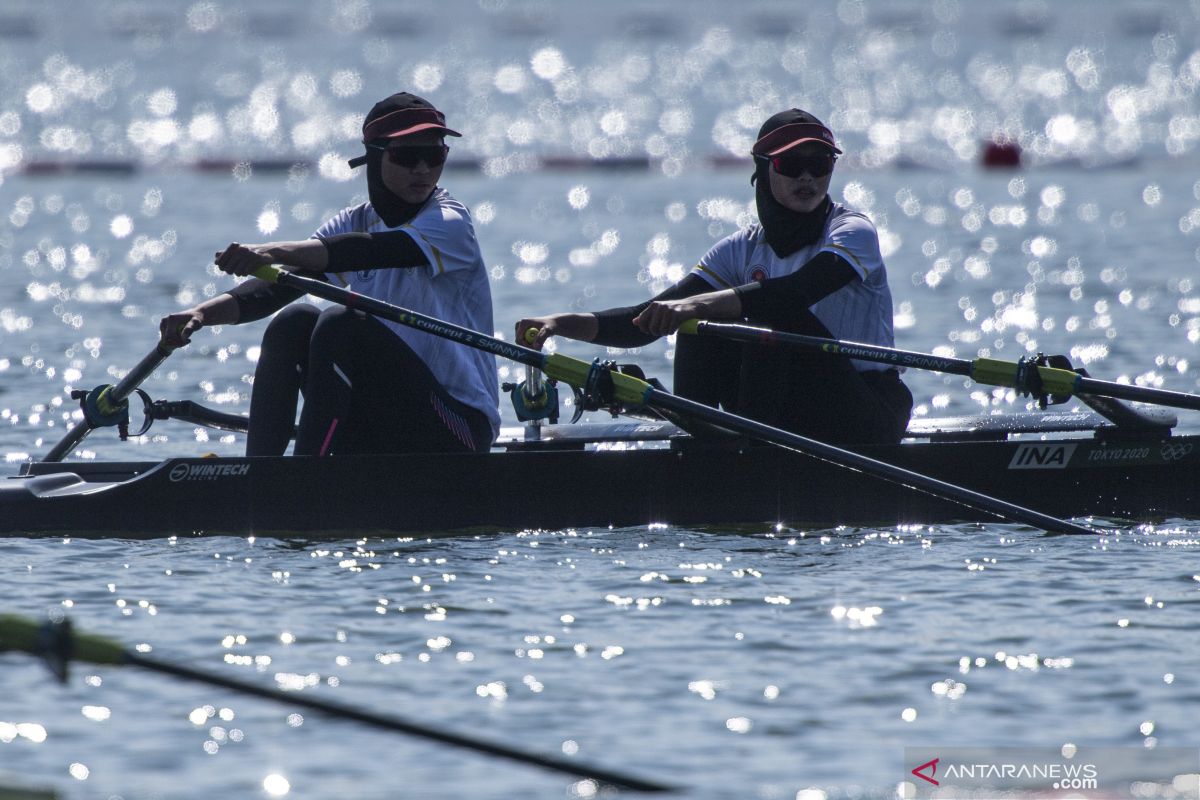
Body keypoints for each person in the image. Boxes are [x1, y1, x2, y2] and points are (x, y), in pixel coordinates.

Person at [516, 109, 912, 445]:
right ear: (763, 169)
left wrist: (695, 304)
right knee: (694, 324)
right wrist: (557, 323)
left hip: (868, 410)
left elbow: (793, 294)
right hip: (792, 409)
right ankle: (703, 439)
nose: (807, 178)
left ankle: (742, 455)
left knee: (766, 318)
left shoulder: (852, 231)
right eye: (792, 165)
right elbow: (644, 320)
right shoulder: (740, 249)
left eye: (820, 164)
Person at [160, 92, 499, 457]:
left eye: (434, 155)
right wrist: (201, 314)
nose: (422, 169)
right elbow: (276, 288)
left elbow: (372, 250)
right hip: (388, 423)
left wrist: (270, 250)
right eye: (406, 155)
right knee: (294, 320)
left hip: (459, 430)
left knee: (341, 324)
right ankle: (261, 480)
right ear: (374, 156)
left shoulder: (450, 222)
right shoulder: (354, 221)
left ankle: (305, 486)